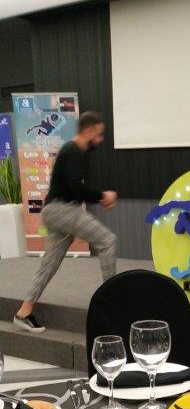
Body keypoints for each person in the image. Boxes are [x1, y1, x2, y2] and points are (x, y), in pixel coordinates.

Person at [14, 111, 118, 332]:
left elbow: (73, 188)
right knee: (107, 241)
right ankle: (112, 300)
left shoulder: (73, 152)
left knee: (49, 265)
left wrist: (98, 198)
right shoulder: (73, 151)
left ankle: (23, 312)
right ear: (88, 130)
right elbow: (74, 187)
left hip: (55, 211)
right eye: (99, 134)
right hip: (62, 210)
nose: (100, 140)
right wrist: (102, 195)